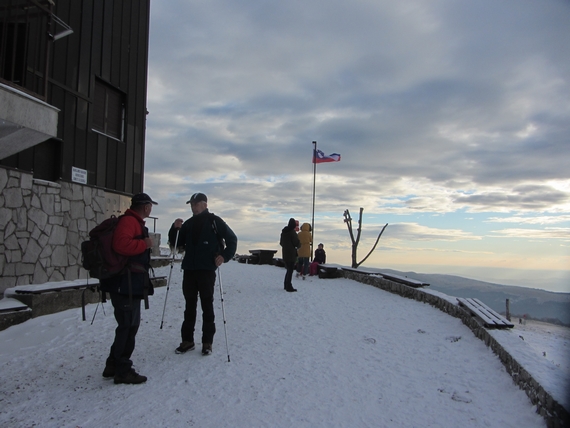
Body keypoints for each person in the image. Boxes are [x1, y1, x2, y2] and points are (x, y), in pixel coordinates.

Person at [170, 193, 237, 356]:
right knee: (189, 306)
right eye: (191, 204)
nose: (193, 206)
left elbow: (232, 239)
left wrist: (224, 256)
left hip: (207, 269)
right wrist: (174, 228)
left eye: (196, 203)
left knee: (207, 305)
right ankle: (187, 341)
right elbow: (176, 243)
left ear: (205, 204)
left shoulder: (214, 221)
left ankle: (207, 342)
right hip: (190, 270)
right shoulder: (188, 224)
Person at [100, 192, 157, 385]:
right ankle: (122, 369)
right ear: (146, 207)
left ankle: (112, 364)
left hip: (127, 284)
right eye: (150, 206)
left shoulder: (132, 221)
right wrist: (144, 244)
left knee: (127, 325)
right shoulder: (129, 222)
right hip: (125, 284)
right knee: (128, 326)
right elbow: (120, 245)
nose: (151, 210)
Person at [280, 218, 301, 292]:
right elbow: (296, 242)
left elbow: (281, 243)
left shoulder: (283, 232)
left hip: (285, 253)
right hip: (291, 253)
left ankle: (286, 285)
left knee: (288, 270)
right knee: (290, 270)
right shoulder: (292, 232)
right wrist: (299, 245)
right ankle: (288, 286)